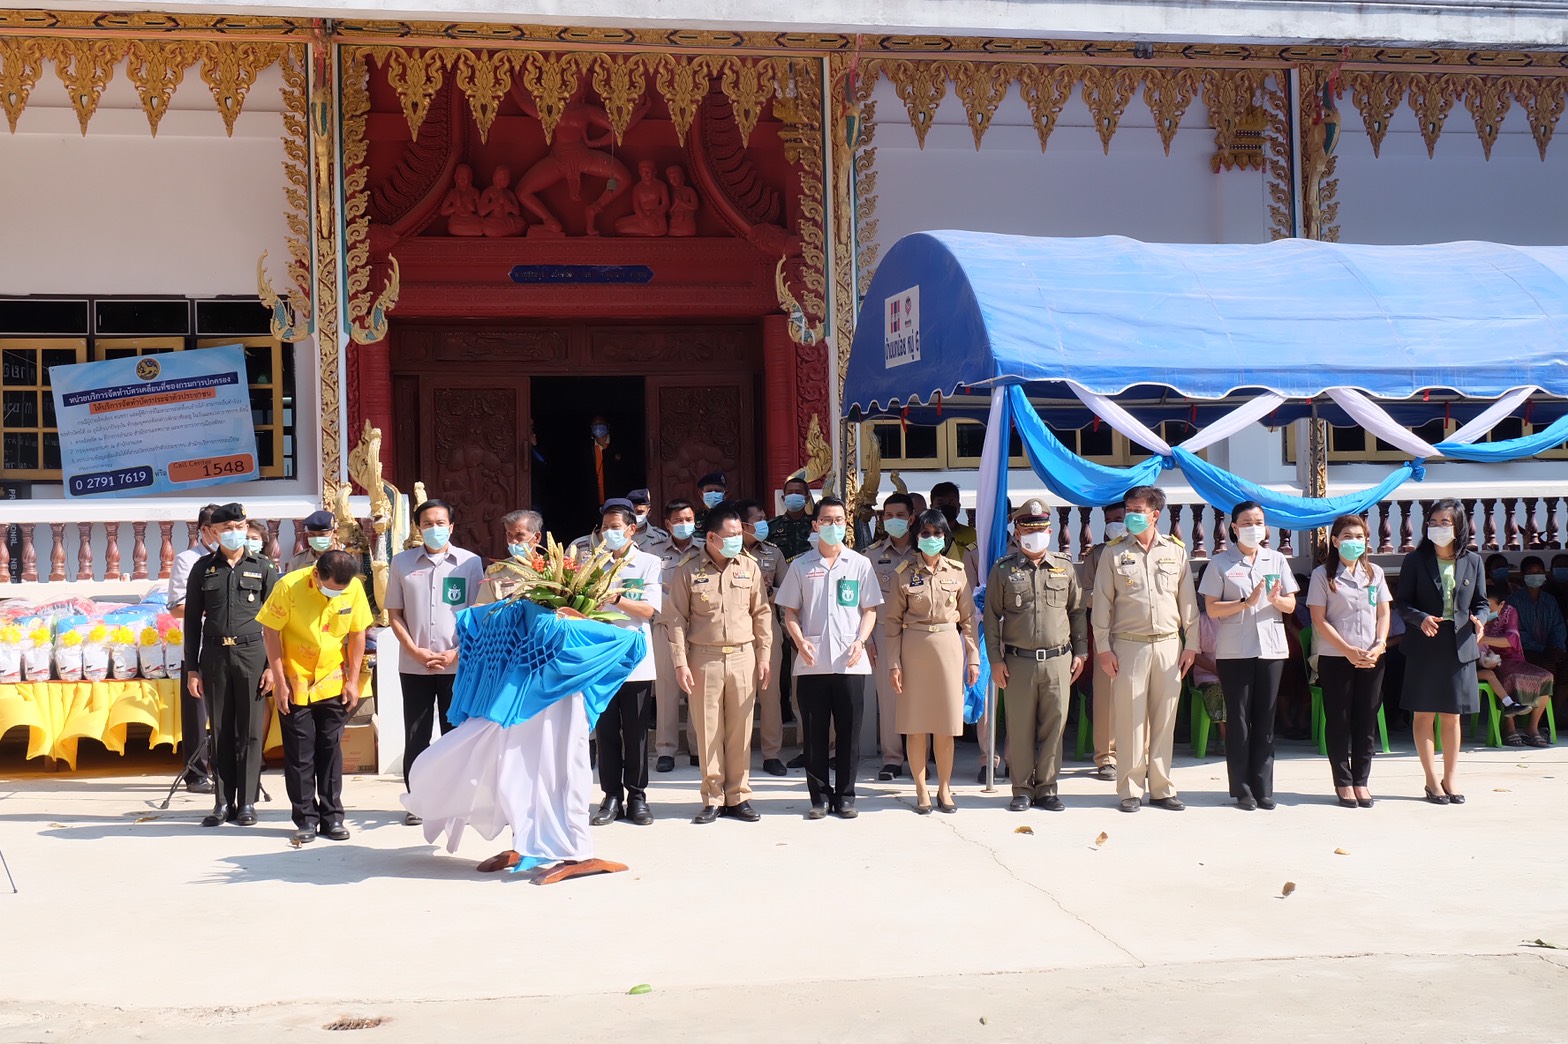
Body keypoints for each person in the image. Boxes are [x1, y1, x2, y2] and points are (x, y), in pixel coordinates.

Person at [1093, 485, 1199, 814]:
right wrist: (1103, 649)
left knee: (1165, 720)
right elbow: (1101, 605)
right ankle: (1129, 789)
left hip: (1169, 644)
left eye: (1139, 511)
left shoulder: (1176, 551)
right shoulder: (1113, 553)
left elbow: (1188, 604)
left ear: (1155, 515)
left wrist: (1191, 645)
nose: (1132, 516)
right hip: (1128, 646)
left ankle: (1162, 787)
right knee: (1129, 721)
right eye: (1129, 510)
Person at [665, 505, 774, 823]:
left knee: (741, 730)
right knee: (708, 729)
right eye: (730, 535)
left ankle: (738, 796)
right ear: (711, 537)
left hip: (743, 656)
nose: (737, 540)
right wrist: (680, 663)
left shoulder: (749, 568)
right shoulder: (688, 570)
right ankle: (713, 797)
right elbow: (676, 620)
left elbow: (762, 614)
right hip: (704, 658)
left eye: (740, 534)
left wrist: (765, 656)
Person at [258, 550, 374, 844]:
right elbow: (270, 632)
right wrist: (279, 681)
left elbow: (358, 633)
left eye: (341, 591)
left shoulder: (354, 588)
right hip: (295, 680)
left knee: (331, 750)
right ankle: (305, 819)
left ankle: (333, 817)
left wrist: (352, 680)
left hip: (333, 681)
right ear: (316, 575)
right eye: (331, 589)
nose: (336, 595)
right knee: (300, 754)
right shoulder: (289, 586)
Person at [777, 497, 881, 819]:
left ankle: (846, 795)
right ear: (815, 525)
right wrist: (798, 639)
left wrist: (861, 641)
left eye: (839, 521)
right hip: (813, 663)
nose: (833, 526)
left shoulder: (860, 564)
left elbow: (870, 609)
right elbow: (790, 611)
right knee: (815, 733)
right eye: (827, 520)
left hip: (850, 661)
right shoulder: (801, 565)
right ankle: (819, 797)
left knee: (850, 733)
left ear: (845, 525)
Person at [384, 499, 485, 821]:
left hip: (458, 662)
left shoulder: (469, 564)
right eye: (428, 524)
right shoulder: (401, 563)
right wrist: (414, 650)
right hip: (415, 664)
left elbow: (478, 615)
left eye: (441, 523)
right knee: (416, 734)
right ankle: (418, 801)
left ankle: (455, 802)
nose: (435, 529)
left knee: (454, 733)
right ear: (418, 528)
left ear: (452, 527)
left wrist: (456, 650)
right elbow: (394, 614)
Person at [984, 501, 1086, 813]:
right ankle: (1021, 789)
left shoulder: (1065, 568)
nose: (1034, 535)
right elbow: (991, 618)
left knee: (1054, 726)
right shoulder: (1004, 570)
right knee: (1020, 727)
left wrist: (1081, 652)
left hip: (1058, 660)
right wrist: (996, 661)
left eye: (1040, 530)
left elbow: (1077, 612)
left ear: (1050, 531)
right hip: (1018, 662)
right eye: (1028, 530)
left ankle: (1047, 789)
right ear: (1017, 532)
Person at [1198, 501, 1297, 811]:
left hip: (1271, 648)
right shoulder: (1220, 563)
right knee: (1239, 720)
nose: (1254, 527)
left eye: (1259, 521)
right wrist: (1244, 602)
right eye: (1247, 522)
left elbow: (1291, 605)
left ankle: (1263, 786)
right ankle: (1241, 788)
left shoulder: (1276, 559)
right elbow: (1212, 609)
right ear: (1235, 527)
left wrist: (1275, 599)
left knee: (1265, 718)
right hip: (1234, 651)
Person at [182, 503, 277, 827]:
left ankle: (247, 802)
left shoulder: (263, 567)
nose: (236, 534)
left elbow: (276, 623)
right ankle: (223, 802)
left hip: (252, 656)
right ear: (215, 533)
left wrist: (270, 667)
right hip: (214, 656)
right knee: (220, 731)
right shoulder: (202, 569)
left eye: (240, 527)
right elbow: (192, 621)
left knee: (250, 732)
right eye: (228, 529)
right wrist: (192, 668)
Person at [884, 509, 980, 814]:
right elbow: (892, 624)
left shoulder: (957, 571)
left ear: (945, 537)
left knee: (945, 724)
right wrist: (894, 664)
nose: (932, 539)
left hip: (949, 650)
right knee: (915, 725)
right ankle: (921, 788)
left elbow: (967, 620)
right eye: (925, 533)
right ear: (917, 537)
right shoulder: (903, 573)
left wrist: (973, 660)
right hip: (914, 649)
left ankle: (944, 787)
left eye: (937, 534)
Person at [1396, 498, 1485, 806]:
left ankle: (1450, 779)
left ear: (1458, 526)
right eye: (1432, 523)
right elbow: (1402, 603)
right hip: (1426, 642)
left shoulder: (1473, 560)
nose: (1438, 528)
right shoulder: (1415, 560)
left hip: (1459, 644)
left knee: (1451, 715)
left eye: (1445, 523)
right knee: (1423, 713)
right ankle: (1431, 781)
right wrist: (1420, 619)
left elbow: (1482, 603)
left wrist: (1480, 620)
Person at [587, 499, 664, 826]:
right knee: (605, 733)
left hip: (634, 659)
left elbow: (648, 610)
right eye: (605, 528)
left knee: (635, 732)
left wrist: (616, 598)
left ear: (632, 529)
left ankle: (637, 795)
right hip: (602, 660)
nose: (609, 533)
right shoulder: (593, 565)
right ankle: (611, 796)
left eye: (615, 527)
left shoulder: (648, 563)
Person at [1306, 514, 1391, 809]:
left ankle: (1362, 781)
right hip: (1336, 657)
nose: (1354, 542)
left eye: (1359, 537)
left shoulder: (1374, 573)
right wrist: (1346, 649)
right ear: (1335, 541)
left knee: (1366, 720)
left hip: (1371, 657)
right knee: (1339, 720)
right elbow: (1319, 619)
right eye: (1348, 537)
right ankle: (1343, 782)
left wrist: (1379, 644)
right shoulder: (1322, 575)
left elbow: (1383, 613)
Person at [167, 502, 222, 794]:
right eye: (221, 529)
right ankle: (197, 773)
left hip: (230, 644)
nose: (228, 534)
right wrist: (211, 609)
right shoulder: (188, 560)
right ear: (204, 530)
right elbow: (177, 607)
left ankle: (227, 770)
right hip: (199, 645)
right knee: (198, 713)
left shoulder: (238, 559)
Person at [735, 499, 790, 776]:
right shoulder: (728, 552)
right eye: (758, 517)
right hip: (736, 628)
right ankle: (736, 753)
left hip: (768, 626)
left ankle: (771, 753)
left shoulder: (774, 553)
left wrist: (769, 592)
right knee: (738, 695)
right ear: (743, 524)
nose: (763, 522)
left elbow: (789, 592)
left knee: (770, 693)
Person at [866, 493, 918, 780]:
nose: (893, 520)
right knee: (889, 697)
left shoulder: (924, 549)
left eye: (899, 515)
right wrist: (867, 639)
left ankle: (918, 754)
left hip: (918, 633)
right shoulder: (871, 555)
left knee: (918, 695)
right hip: (884, 633)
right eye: (887, 515)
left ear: (911, 518)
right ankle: (892, 757)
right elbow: (865, 602)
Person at [1078, 502, 1127, 781]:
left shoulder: (1143, 551)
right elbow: (1084, 594)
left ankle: (1134, 754)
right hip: (1106, 632)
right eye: (1109, 519)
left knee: (1138, 696)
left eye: (1119, 518)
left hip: (1140, 631)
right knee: (1106, 697)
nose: (1114, 523)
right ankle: (1106, 757)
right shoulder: (1097, 555)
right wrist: (1109, 599)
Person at [651, 498, 700, 772]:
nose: (684, 525)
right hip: (665, 625)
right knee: (667, 689)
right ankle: (666, 749)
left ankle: (696, 747)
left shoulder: (706, 548)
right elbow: (647, 589)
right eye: (678, 520)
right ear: (668, 524)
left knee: (697, 687)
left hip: (697, 627)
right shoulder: (652, 551)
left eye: (689, 519)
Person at [1479, 580, 1554, 746]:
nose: (1486, 612)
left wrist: (1483, 638)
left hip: (1514, 659)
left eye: (1490, 609)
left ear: (1502, 605)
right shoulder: (1475, 615)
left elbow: (1511, 640)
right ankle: (1510, 728)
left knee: (1546, 676)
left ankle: (1532, 728)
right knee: (1511, 677)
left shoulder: (1510, 612)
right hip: (1488, 661)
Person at [1507, 555, 1566, 690]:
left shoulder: (1550, 600)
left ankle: (1558, 709)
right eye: (1531, 573)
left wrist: (1557, 648)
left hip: (1550, 649)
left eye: (1539, 572)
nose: (1536, 575)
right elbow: (1516, 632)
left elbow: (1558, 626)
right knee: (1547, 667)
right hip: (1525, 651)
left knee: (1565, 667)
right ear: (1523, 575)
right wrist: (1542, 649)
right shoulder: (1514, 601)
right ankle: (1542, 707)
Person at [476, 510, 544, 606]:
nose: (513, 541)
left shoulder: (552, 571)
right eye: (509, 535)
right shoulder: (495, 573)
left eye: (519, 535)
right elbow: (482, 609)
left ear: (537, 537)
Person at [769, 475, 816, 561]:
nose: (793, 496)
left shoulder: (815, 525)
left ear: (807, 499)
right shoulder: (772, 526)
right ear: (784, 498)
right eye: (790, 493)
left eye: (798, 492)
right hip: (782, 573)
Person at [929, 482, 977, 564]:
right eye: (941, 503)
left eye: (951, 503)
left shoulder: (973, 535)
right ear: (931, 507)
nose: (946, 506)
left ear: (959, 507)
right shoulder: (924, 535)